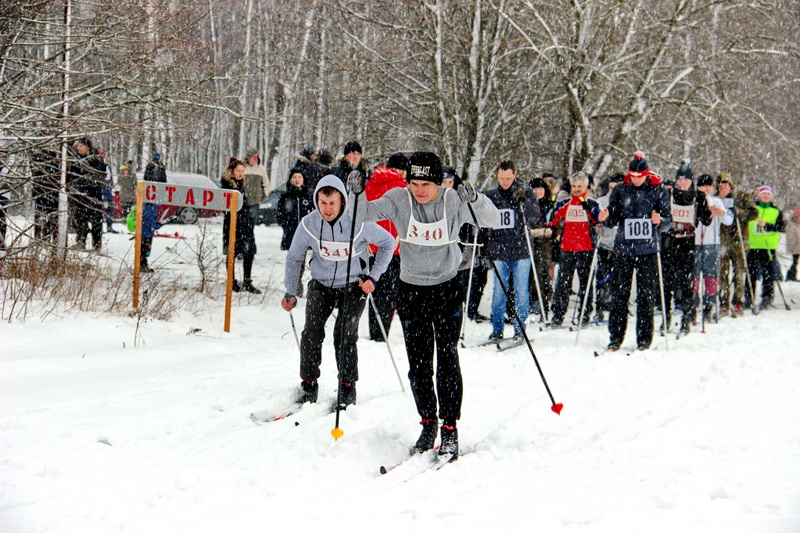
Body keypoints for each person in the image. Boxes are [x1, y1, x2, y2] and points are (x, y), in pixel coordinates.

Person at [348, 151, 500, 460]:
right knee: (418, 363)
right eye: (414, 183)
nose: (419, 190)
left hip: (446, 289)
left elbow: (491, 219)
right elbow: (360, 214)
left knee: (446, 358)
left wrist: (476, 199)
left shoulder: (452, 201)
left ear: (437, 182)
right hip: (411, 290)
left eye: (425, 184)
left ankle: (449, 428)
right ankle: (428, 421)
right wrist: (355, 192)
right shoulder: (399, 198)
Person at [281, 175, 395, 408]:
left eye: (332, 202)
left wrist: (374, 276)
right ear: (317, 200)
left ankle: (347, 387)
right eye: (323, 202)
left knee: (344, 334)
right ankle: (308, 384)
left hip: (354, 285)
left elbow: (388, 243)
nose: (327, 208)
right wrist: (291, 290)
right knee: (311, 332)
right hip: (321, 284)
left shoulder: (359, 221)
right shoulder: (309, 224)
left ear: (342, 200)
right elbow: (294, 257)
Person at [598, 152, 671, 351]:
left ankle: (644, 340)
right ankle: (615, 338)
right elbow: (613, 218)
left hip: (647, 249)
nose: (637, 179)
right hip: (624, 249)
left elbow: (668, 221)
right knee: (619, 295)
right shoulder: (621, 189)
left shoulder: (658, 190)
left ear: (646, 174)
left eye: (640, 176)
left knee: (646, 296)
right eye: (633, 176)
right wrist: (607, 216)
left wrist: (660, 221)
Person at [484, 160, 540, 341]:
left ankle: (519, 329)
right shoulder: (492, 194)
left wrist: (523, 203)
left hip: (521, 249)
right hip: (500, 248)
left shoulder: (525, 191)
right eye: (501, 178)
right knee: (499, 290)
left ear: (515, 175)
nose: (504, 182)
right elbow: (484, 219)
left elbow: (534, 216)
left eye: (508, 178)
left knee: (521, 290)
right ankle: (497, 328)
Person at [660, 162, 711, 333]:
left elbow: (707, 220)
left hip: (687, 242)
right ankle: (666, 318)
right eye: (680, 180)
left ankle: (686, 319)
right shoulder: (668, 194)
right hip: (669, 241)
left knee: (685, 282)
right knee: (666, 281)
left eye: (686, 180)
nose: (683, 184)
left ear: (691, 181)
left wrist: (708, 209)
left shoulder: (697, 196)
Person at [545, 171, 600, 327]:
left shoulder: (592, 203)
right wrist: (553, 209)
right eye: (574, 186)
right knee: (563, 283)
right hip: (567, 248)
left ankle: (584, 314)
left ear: (586, 186)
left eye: (579, 186)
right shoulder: (565, 203)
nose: (576, 189)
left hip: (586, 248)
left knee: (586, 283)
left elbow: (599, 221)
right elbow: (551, 219)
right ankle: (557, 315)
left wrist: (590, 211)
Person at [363, 152, 407, 341]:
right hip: (392, 247)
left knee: (375, 288)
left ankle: (374, 331)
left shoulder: (370, 183)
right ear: (402, 169)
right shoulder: (402, 188)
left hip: (370, 246)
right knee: (389, 294)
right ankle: (381, 334)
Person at [716, 172, 758, 315]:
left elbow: (754, 213)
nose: (723, 187)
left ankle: (738, 302)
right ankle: (723, 303)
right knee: (723, 273)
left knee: (739, 273)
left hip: (739, 240)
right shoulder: (716, 199)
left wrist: (739, 213)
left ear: (731, 185)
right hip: (722, 241)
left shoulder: (741, 196)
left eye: (726, 184)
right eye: (720, 184)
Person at [693, 174, 733, 323]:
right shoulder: (694, 199)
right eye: (703, 186)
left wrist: (721, 212)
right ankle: (693, 306)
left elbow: (729, 220)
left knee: (711, 276)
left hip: (712, 243)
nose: (706, 189)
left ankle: (708, 306)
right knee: (694, 276)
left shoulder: (716, 201)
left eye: (709, 186)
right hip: (695, 242)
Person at [221, 157, 261, 293]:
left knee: (249, 252)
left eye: (243, 171)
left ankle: (247, 281)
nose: (241, 173)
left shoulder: (241, 184)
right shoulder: (227, 185)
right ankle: (231, 280)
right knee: (232, 252)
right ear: (232, 171)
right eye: (238, 171)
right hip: (232, 224)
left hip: (245, 223)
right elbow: (225, 208)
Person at [744, 185, 785, 310]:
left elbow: (781, 227)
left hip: (768, 247)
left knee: (768, 274)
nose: (766, 196)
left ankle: (767, 297)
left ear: (771, 196)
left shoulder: (776, 211)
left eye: (768, 194)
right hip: (753, 245)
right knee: (751, 273)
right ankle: (749, 297)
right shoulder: (752, 209)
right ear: (758, 195)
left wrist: (767, 225)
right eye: (763, 194)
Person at [278, 168, 315, 295]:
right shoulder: (286, 196)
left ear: (303, 179)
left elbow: (315, 213)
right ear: (290, 180)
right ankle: (293, 285)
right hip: (291, 234)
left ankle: (300, 285)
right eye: (294, 177)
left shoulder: (309, 196)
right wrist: (287, 226)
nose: (297, 180)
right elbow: (280, 215)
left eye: (299, 177)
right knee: (294, 260)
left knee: (303, 260)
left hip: (305, 234)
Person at [593, 173, 623, 322]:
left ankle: (615, 308)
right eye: (611, 188)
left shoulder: (625, 199)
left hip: (620, 246)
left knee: (618, 279)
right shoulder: (602, 201)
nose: (613, 191)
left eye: (616, 188)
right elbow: (597, 218)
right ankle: (599, 308)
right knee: (601, 278)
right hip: (604, 244)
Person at [68, 138, 106, 251]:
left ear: (87, 147)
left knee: (96, 221)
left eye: (81, 146)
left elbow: (101, 174)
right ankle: (81, 241)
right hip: (80, 195)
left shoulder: (95, 158)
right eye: (78, 146)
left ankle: (97, 243)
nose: (79, 148)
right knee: (80, 219)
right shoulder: (77, 158)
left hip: (93, 194)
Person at [528, 176, 555, 321]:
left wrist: (548, 231)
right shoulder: (527, 205)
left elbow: (554, 224)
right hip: (529, 244)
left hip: (545, 245)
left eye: (540, 189)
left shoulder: (549, 205)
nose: (538, 192)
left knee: (543, 272)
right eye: (535, 189)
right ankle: (532, 303)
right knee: (531, 273)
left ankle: (543, 303)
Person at [31, 148, 60, 243]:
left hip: (48, 192)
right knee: (44, 215)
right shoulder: (38, 158)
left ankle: (43, 236)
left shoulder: (53, 159)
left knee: (47, 216)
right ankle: (43, 236)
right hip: (45, 192)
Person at [243, 147, 270, 224]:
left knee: (251, 224)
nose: (254, 159)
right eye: (252, 157)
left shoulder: (261, 169)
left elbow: (266, 185)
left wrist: (263, 199)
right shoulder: (242, 168)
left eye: (256, 157)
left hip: (255, 202)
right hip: (243, 202)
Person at [786, 207, 800, 282]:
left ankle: (792, 275)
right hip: (794, 246)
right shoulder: (791, 223)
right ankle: (791, 275)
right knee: (794, 261)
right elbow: (791, 236)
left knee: (795, 261)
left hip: (797, 245)